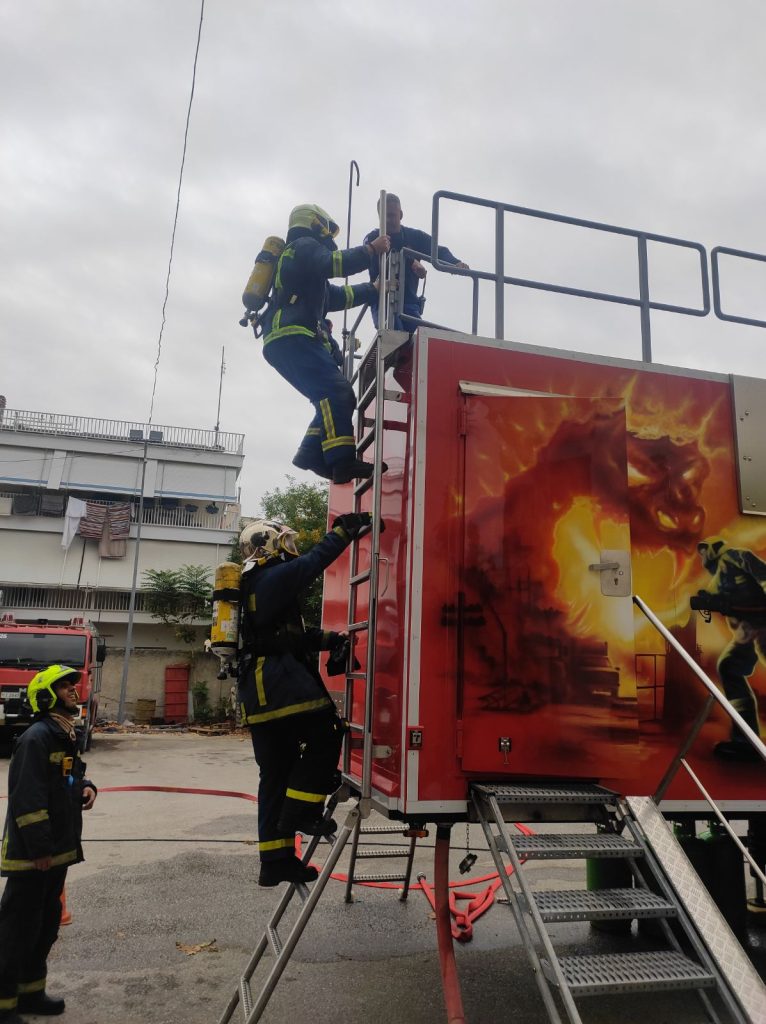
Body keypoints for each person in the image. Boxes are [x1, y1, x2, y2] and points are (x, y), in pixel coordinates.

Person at [237, 513, 377, 886]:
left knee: (276, 775)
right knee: (327, 730)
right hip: (279, 687)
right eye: (285, 541)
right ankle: (302, 811)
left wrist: (330, 640)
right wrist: (342, 533)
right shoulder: (271, 577)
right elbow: (313, 563)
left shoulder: (257, 584)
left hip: (261, 693)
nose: (291, 548)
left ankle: (276, 862)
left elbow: (286, 637)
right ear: (268, 545)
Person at [260, 204, 391, 484]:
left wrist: (372, 290)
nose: (330, 236)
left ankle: (310, 454)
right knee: (337, 392)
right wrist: (371, 250)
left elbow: (336, 297)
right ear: (316, 224)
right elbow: (334, 264)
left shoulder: (300, 261)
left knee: (331, 397)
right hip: (294, 335)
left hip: (284, 339)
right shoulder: (304, 246)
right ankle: (342, 462)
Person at [0, 665, 97, 1021]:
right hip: (33, 856)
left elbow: (72, 774)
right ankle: (3, 1004)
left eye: (72, 684)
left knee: (44, 927)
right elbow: (27, 799)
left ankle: (30, 994)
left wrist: (87, 787)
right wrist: (40, 849)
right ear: (45, 696)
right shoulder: (36, 738)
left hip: (57, 851)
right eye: (64, 686)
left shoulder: (64, 735)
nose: (73, 689)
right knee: (17, 930)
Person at [695, 537, 766, 761]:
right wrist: (707, 603)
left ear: (713, 548)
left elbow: (763, 575)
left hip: (763, 626)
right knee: (729, 667)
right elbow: (709, 608)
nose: (702, 557)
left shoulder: (735, 557)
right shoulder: (717, 578)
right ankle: (746, 740)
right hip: (748, 632)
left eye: (704, 551)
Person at [363, 193, 469, 330]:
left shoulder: (415, 237)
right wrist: (410, 261)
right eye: (385, 216)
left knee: (419, 337)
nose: (388, 220)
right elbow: (375, 265)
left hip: (409, 303)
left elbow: (439, 251)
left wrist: (454, 263)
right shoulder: (372, 239)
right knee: (393, 330)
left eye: (392, 215)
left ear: (401, 215)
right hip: (381, 300)